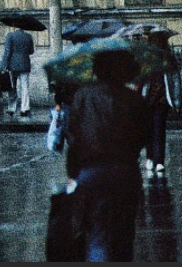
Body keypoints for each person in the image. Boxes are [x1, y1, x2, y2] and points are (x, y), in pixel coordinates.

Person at [64, 49, 150, 262]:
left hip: (91, 171)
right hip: (125, 171)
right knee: (124, 236)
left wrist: (73, 173)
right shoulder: (133, 99)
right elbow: (144, 136)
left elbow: (73, 136)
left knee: (97, 235)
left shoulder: (82, 95)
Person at [140, 34, 175, 176]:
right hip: (157, 101)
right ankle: (155, 159)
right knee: (157, 131)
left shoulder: (154, 61)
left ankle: (154, 159)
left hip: (153, 101)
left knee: (153, 130)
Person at [0, 26, 34, 117]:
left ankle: (11, 108)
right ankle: (25, 108)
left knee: (12, 87)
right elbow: (31, 51)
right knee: (25, 86)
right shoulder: (29, 36)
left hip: (12, 65)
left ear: (14, 26)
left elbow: (7, 51)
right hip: (25, 63)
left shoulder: (10, 35)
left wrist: (3, 65)